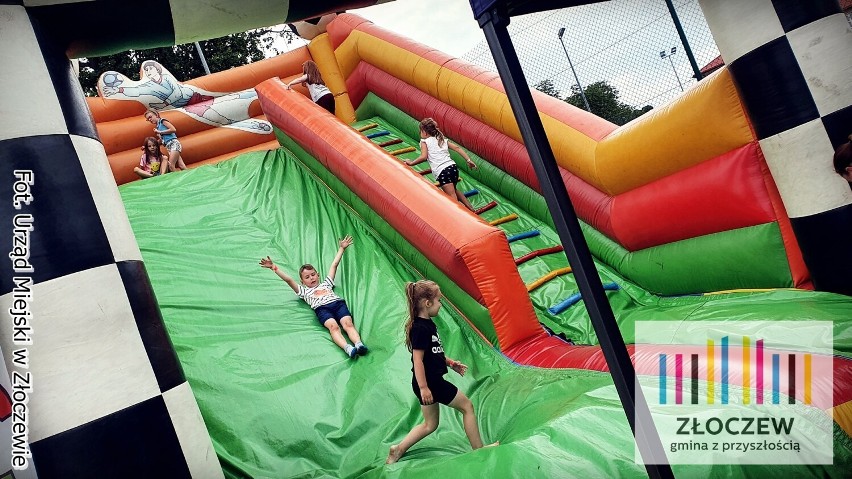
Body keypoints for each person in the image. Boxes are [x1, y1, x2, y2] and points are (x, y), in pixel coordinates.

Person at [385, 280, 497, 464]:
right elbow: (417, 359)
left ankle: (398, 449)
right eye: (439, 301)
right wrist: (424, 388)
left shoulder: (428, 325)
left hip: (428, 382)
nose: (441, 304)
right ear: (427, 303)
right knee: (467, 407)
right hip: (431, 383)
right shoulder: (420, 328)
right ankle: (479, 450)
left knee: (430, 424)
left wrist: (450, 362)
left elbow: (433, 352)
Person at [259, 235, 368, 359]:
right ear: (302, 282)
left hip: (338, 304)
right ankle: (348, 348)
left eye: (313, 275)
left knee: (347, 323)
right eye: (307, 277)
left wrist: (342, 249)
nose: (311, 278)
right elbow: (289, 280)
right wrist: (274, 268)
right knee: (334, 327)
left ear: (318, 275)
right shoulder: (304, 291)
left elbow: (334, 265)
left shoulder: (326, 283)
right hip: (322, 309)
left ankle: (359, 344)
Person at [405, 118, 478, 211]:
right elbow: (457, 147)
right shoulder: (441, 139)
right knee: (454, 190)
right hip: (452, 168)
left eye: (420, 131)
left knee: (451, 196)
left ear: (425, 132)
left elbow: (423, 156)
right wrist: (468, 160)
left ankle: (457, 214)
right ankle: (471, 208)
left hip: (443, 171)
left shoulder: (424, 142)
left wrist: (411, 163)